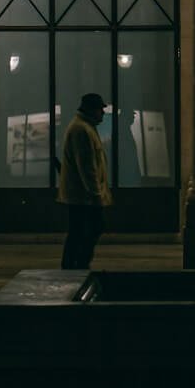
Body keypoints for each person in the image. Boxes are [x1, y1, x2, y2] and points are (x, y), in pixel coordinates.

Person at [59, 92, 113, 269]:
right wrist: (97, 195)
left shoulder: (84, 127)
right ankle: (77, 265)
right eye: (100, 109)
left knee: (79, 231)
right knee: (89, 229)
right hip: (84, 197)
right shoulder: (82, 130)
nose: (103, 113)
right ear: (92, 110)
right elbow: (87, 168)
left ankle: (74, 265)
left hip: (81, 195)